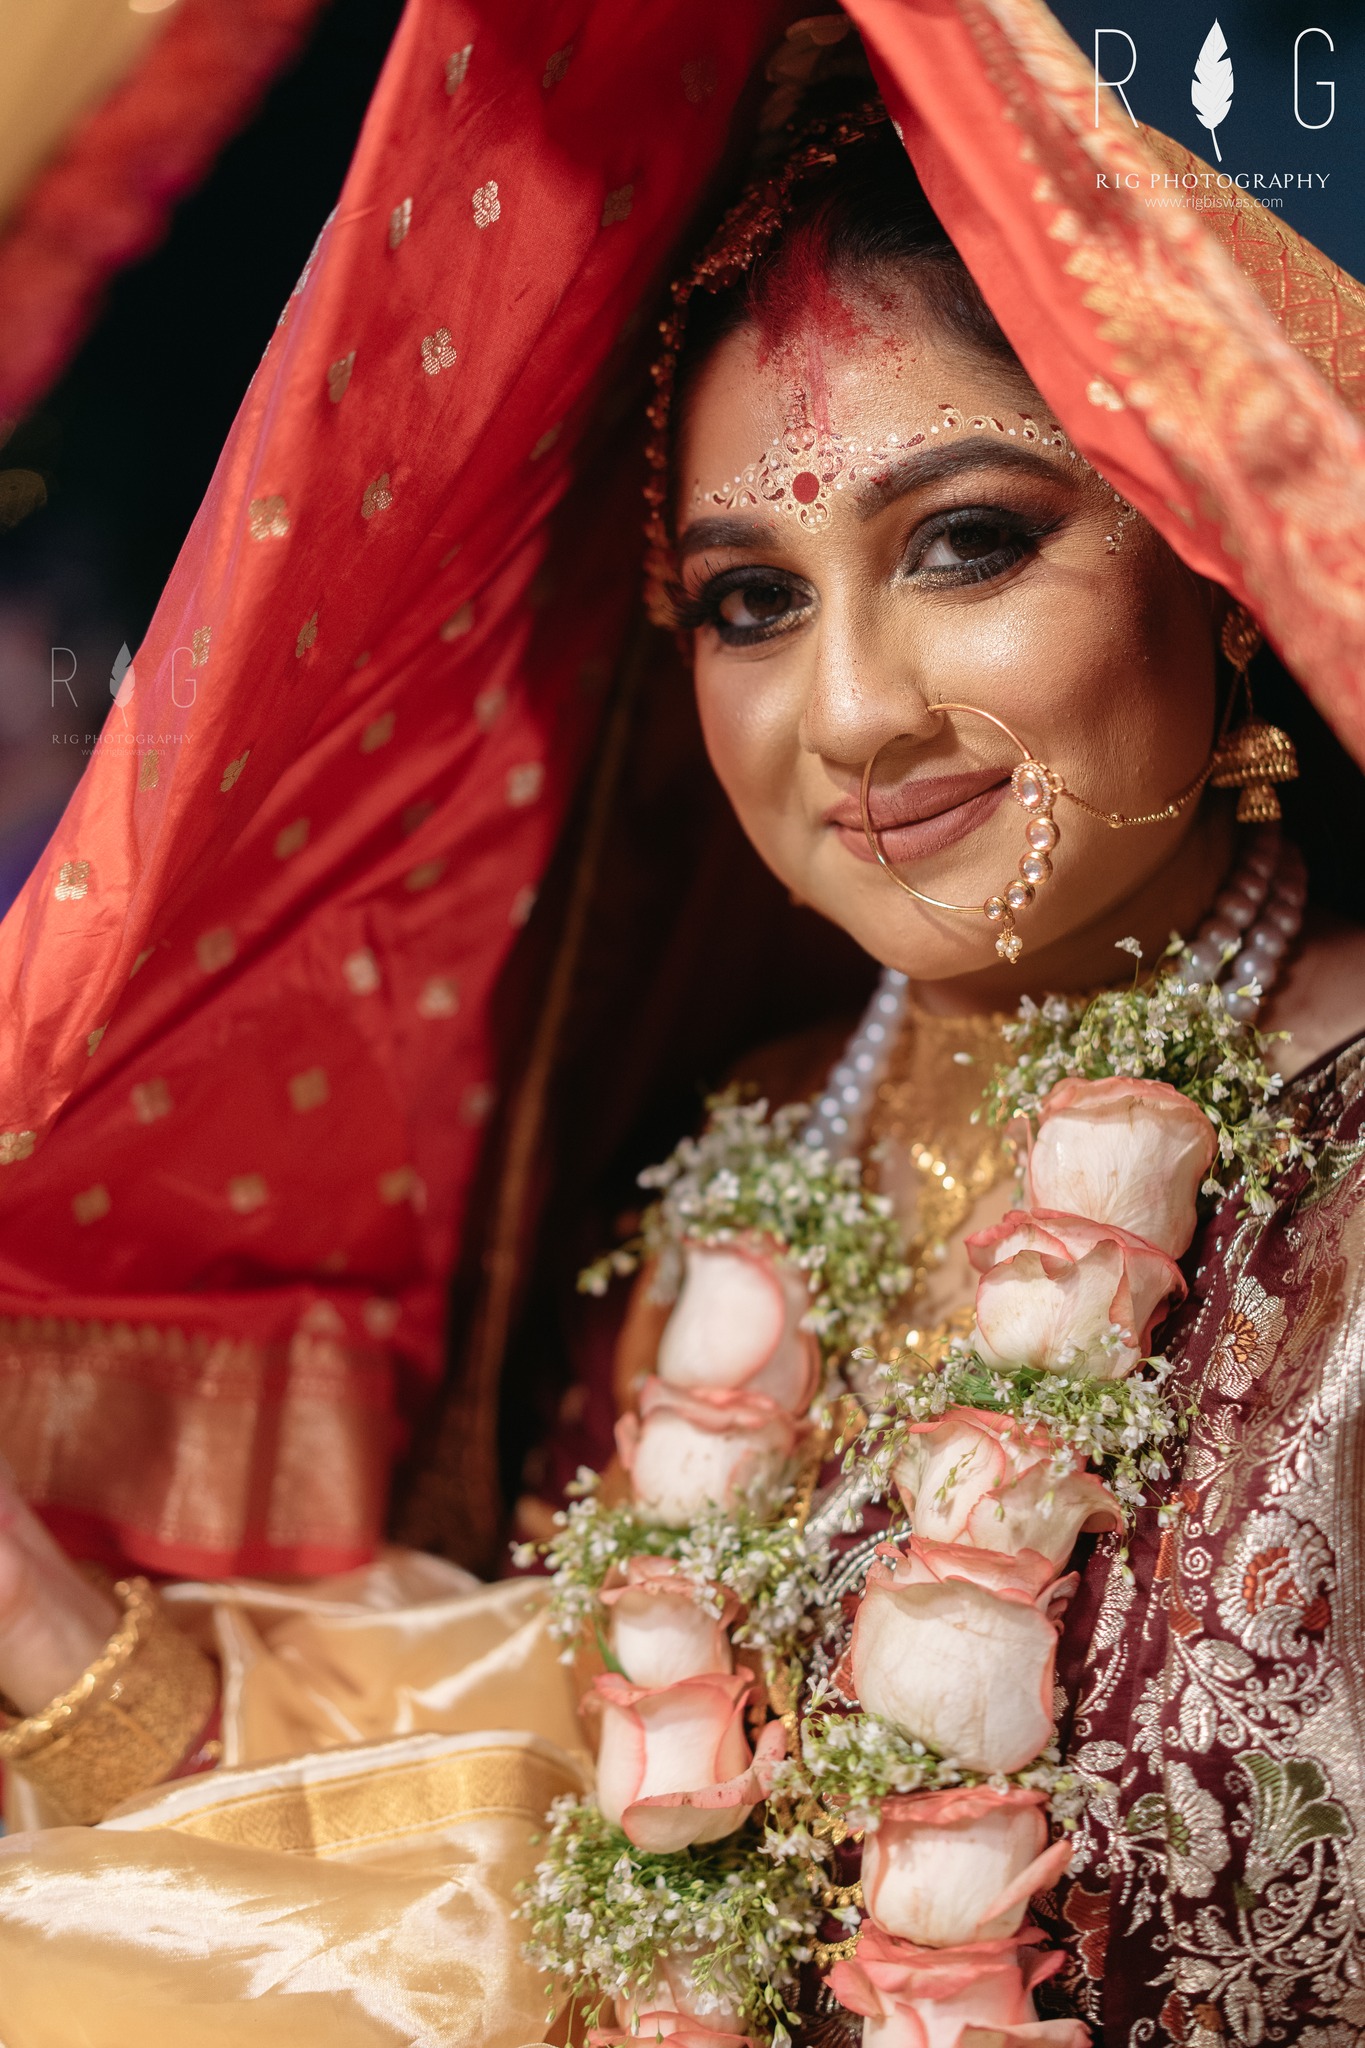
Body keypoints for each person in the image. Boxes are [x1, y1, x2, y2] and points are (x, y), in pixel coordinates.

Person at [1, 6, 1365, 2044]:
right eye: (750, 597)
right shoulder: (747, 1152)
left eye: (964, 541)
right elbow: (545, 1851)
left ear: (1217, 558)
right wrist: (57, 1637)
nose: (846, 712)